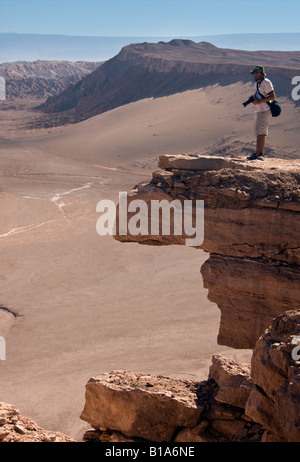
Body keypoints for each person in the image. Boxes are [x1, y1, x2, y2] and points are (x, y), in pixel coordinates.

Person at [247, 65, 276, 161]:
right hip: (258, 110)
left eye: (256, 73)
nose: (255, 75)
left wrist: (259, 102)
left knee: (261, 132)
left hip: (264, 110)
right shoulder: (257, 83)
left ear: (261, 73)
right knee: (258, 132)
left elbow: (272, 96)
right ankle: (257, 153)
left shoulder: (266, 82)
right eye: (254, 73)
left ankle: (261, 154)